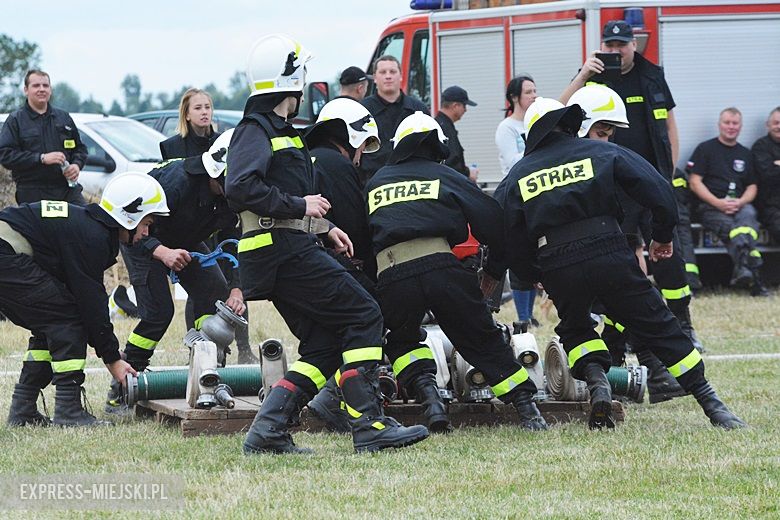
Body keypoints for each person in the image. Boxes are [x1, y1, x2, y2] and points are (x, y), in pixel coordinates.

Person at [226, 34, 428, 454]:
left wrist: (322, 227)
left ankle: (267, 433)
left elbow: (281, 198)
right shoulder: (254, 129)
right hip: (280, 251)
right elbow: (242, 186)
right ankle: (368, 424)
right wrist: (302, 204)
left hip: (288, 246)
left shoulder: (278, 130)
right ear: (292, 77)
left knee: (324, 345)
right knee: (364, 313)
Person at [494, 100, 746, 430]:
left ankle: (599, 382)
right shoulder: (599, 152)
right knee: (655, 322)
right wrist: (662, 235)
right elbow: (658, 188)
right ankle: (712, 404)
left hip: (558, 263)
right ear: (569, 124)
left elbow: (504, 233)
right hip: (608, 250)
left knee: (576, 327)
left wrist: (533, 273)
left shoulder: (518, 174)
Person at [365, 111, 548, 433]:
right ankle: (527, 409)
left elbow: (362, 236)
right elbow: (493, 220)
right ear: (437, 146)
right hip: (441, 268)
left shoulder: (376, 182)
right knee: (481, 338)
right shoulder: (444, 176)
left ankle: (431, 401)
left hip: (392, 274)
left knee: (402, 341)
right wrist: (492, 270)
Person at [560, 19, 703, 352]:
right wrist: (582, 75)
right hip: (612, 188)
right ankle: (621, 337)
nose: (615, 51)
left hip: (649, 183)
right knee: (619, 262)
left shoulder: (652, 75)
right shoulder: (593, 77)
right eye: (609, 46)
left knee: (669, 259)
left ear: (633, 44)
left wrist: (665, 177)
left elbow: (669, 128)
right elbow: (556, 114)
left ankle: (684, 325)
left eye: (621, 45)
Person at [1, 173, 169, 427]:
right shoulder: (93, 237)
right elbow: (91, 305)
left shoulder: (87, 225)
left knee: (52, 320)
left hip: (8, 255)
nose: (146, 233)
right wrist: (113, 359)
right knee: (69, 318)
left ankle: (23, 410)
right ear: (129, 216)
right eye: (146, 223)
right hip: (6, 256)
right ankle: (69, 411)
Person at [105, 130, 253, 414]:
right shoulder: (178, 182)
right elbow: (135, 224)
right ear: (217, 172)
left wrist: (237, 287)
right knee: (159, 312)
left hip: (184, 240)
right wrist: (161, 252)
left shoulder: (231, 197)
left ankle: (209, 376)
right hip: (142, 237)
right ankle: (122, 387)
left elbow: (235, 242)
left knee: (213, 294)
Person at [568, 84, 689, 404]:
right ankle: (651, 369)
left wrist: (636, 244)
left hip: (601, 252)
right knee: (619, 304)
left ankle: (625, 370)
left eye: (609, 135)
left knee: (616, 304)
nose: (606, 142)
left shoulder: (604, 160)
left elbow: (623, 208)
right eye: (601, 133)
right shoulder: (565, 163)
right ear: (580, 127)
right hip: (572, 257)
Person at [303, 97, 382, 432]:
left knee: (328, 341)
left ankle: (321, 399)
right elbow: (354, 223)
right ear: (350, 137)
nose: (362, 154)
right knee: (372, 317)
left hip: (302, 261)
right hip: (334, 260)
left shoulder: (308, 158)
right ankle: (344, 401)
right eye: (362, 144)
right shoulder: (338, 165)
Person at [688, 107, 767, 296]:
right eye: (727, 122)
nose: (731, 127)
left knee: (748, 216)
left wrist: (740, 202)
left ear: (740, 126)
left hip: (740, 206)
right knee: (734, 229)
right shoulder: (705, 149)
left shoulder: (745, 154)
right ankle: (754, 279)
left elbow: (752, 186)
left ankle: (744, 270)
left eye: (735, 123)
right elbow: (694, 181)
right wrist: (717, 202)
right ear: (719, 124)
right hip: (710, 207)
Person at [0, 69, 87, 205]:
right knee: (44, 226)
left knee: (86, 221)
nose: (41, 89)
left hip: (66, 190)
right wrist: (41, 158)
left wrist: (76, 165)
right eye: (36, 86)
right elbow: (5, 155)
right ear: (26, 90)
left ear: (50, 90)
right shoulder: (16, 120)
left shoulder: (63, 118)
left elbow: (80, 149)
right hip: (32, 193)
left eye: (45, 86)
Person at [495, 75, 539, 329]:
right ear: (514, 98)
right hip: (516, 195)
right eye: (528, 92)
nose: (534, 96)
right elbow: (513, 162)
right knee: (520, 254)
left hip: (535, 195)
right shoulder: (507, 128)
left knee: (536, 253)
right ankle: (522, 317)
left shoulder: (536, 123)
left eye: (535, 91)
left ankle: (530, 313)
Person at [359, 55, 429, 185]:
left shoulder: (418, 110)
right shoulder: (361, 111)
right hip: (372, 183)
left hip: (412, 183)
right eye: (382, 72)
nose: (388, 76)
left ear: (401, 75)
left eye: (392, 71)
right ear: (374, 77)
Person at [159, 88, 220, 160]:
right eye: (198, 108)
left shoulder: (223, 142)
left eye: (207, 107)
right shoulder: (171, 146)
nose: (204, 112)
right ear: (186, 114)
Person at [435, 85, 478, 181]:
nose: (465, 110)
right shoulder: (444, 129)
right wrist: (468, 173)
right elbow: (451, 164)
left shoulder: (441, 125)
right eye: (464, 105)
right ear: (455, 106)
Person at [752, 106, 780, 243]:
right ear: (767, 125)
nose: (779, 127)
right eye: (776, 123)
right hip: (771, 207)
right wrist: (773, 168)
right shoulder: (760, 146)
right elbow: (767, 175)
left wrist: (776, 164)